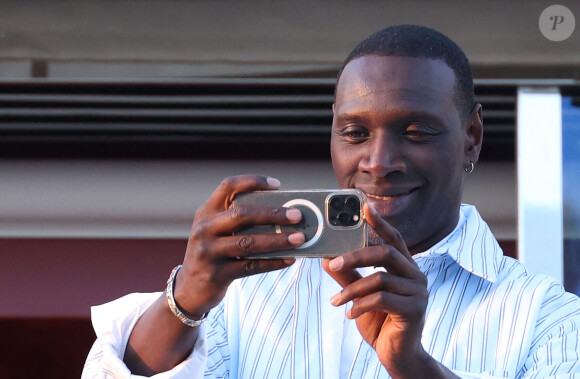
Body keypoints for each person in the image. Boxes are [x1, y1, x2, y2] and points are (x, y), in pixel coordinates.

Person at [82, 25, 580, 378]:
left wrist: (414, 369)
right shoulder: (245, 294)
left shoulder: (547, 318)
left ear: (471, 136)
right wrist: (184, 300)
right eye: (355, 133)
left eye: (415, 131)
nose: (379, 161)